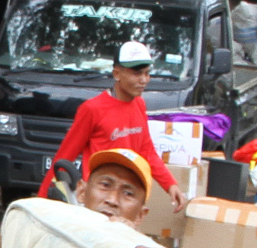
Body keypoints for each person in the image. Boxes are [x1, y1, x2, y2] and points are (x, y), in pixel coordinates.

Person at [36, 43, 185, 210]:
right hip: (99, 199)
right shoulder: (92, 109)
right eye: (137, 73)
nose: (144, 80)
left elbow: (146, 151)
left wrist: (170, 184)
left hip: (128, 198)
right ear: (117, 73)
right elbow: (64, 157)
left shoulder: (140, 105)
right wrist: (41, 203)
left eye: (147, 73)